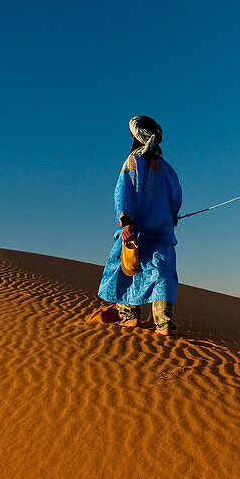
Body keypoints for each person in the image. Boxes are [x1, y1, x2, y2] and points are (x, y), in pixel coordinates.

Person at [97, 116, 182, 334]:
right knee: (161, 272)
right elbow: (176, 197)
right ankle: (163, 323)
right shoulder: (168, 169)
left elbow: (123, 192)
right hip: (162, 230)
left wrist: (126, 221)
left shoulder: (133, 163)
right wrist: (173, 216)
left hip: (135, 229)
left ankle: (130, 317)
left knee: (128, 268)